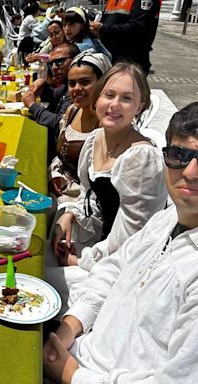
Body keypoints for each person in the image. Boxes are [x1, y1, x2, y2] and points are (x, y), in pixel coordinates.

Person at [44, 102, 198, 383]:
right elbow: (114, 269)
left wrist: (72, 375)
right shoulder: (166, 219)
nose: (190, 172)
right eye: (179, 155)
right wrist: (71, 325)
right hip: (81, 347)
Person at [46, 62, 168, 313]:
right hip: (99, 242)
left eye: (126, 98)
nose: (113, 105)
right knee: (31, 253)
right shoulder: (97, 137)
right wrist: (69, 215)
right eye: (109, 95)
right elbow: (87, 192)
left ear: (140, 106)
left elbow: (131, 239)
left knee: (39, 283)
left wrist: (80, 260)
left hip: (121, 267)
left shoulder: (141, 159)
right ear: (98, 97)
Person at [49, 51, 112, 203]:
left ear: (102, 82)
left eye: (85, 82)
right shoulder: (72, 111)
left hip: (81, 204)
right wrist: (55, 176)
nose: (76, 88)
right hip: (59, 188)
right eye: (72, 83)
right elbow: (61, 157)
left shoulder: (106, 125)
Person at [22, 42, 80, 161]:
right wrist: (42, 85)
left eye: (59, 62)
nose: (54, 68)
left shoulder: (77, 91)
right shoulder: (67, 85)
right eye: (51, 63)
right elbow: (54, 95)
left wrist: (32, 105)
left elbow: (59, 123)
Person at [90, 0, 160, 74]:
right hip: (110, 56)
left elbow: (137, 27)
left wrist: (102, 27)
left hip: (131, 59)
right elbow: (105, 21)